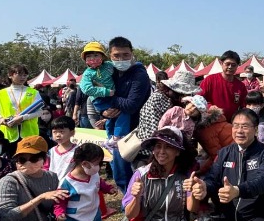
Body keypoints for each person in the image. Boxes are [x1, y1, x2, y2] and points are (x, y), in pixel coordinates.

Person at [100, 37, 151, 193]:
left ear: (132, 54)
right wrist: (104, 111)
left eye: (125, 55)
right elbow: (94, 95)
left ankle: (136, 208)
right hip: (114, 131)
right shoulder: (108, 73)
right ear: (110, 56)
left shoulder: (139, 74)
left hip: (135, 132)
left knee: (135, 174)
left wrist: (109, 97)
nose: (121, 59)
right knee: (119, 173)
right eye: (117, 55)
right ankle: (127, 205)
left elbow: (131, 105)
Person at [137, 70, 200, 151]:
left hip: (171, 149)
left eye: (187, 94)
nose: (185, 96)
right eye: (182, 93)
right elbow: (154, 130)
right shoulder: (158, 99)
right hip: (151, 149)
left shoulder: (177, 102)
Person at [79, 42, 123, 146]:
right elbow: (86, 89)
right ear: (85, 60)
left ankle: (113, 138)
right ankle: (112, 137)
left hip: (113, 96)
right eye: (89, 56)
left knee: (114, 116)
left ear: (102, 57)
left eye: (96, 55)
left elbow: (121, 69)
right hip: (99, 99)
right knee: (112, 115)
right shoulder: (87, 73)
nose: (92, 58)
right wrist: (106, 92)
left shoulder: (109, 65)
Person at [0, 64, 44, 146]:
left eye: (25, 75)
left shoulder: (33, 92)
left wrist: (23, 117)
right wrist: (1, 119)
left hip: (29, 134)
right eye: (19, 74)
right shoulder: (0, 94)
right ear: (10, 75)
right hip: (8, 134)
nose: (23, 77)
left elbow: (40, 112)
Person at [199, 51, 248, 122]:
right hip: (210, 123)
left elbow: (244, 106)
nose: (230, 67)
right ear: (221, 64)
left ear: (237, 66)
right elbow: (197, 99)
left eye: (233, 65)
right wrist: (209, 106)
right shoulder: (209, 80)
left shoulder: (241, 85)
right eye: (227, 64)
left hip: (230, 124)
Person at [194, 105, 233, 174]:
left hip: (233, 158)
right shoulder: (220, 122)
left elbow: (216, 156)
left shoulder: (206, 131)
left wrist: (201, 170)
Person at [46, 115, 78, 180]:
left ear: (72, 132)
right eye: (54, 132)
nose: (58, 135)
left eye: (61, 132)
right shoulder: (51, 151)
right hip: (52, 184)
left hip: (69, 185)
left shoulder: (78, 151)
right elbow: (46, 167)